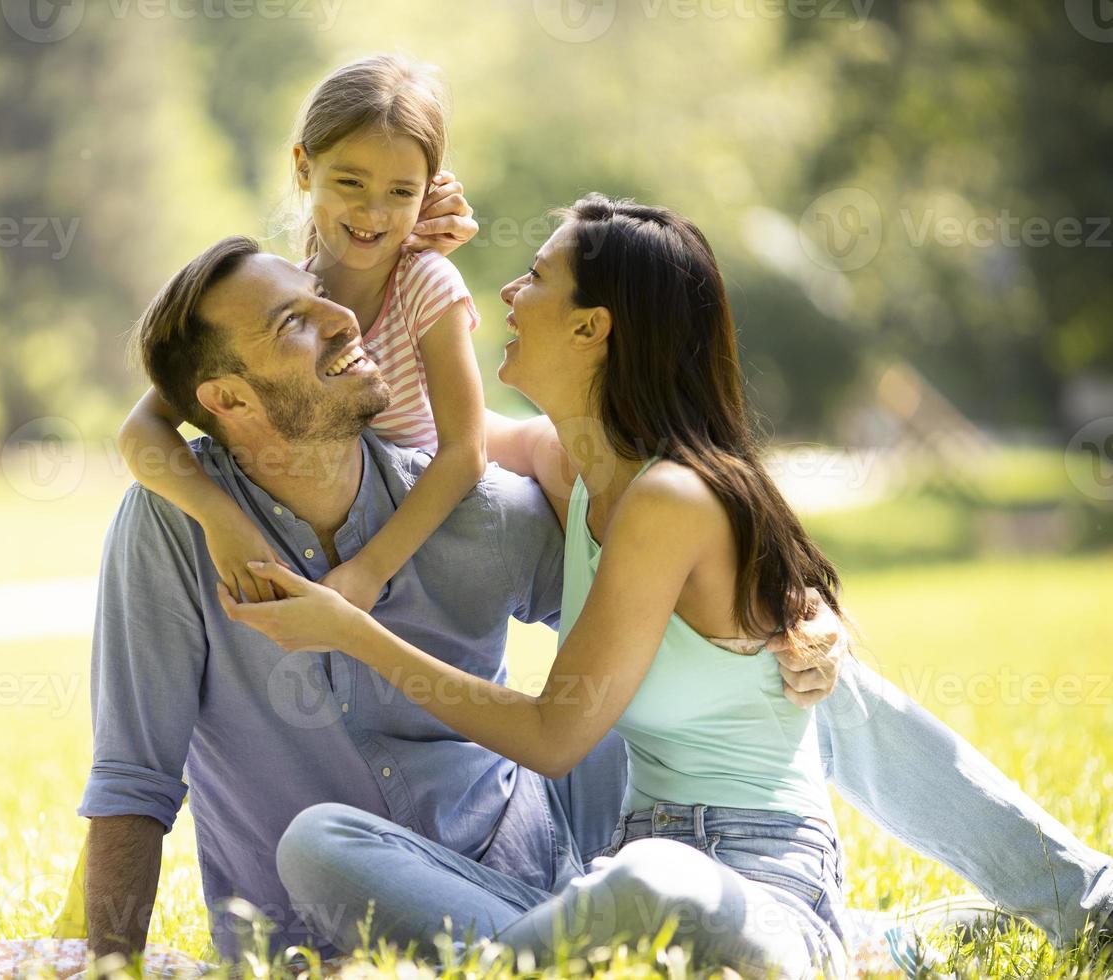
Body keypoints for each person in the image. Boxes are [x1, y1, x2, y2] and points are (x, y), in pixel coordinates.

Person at [71, 231, 1113, 967]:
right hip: (337, 904)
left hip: (550, 858)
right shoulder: (172, 526)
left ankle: (1080, 894)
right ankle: (677, 937)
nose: (349, 317)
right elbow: (131, 780)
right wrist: (110, 967)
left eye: (323, 294)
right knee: (320, 835)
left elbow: (681, 605)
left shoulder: (481, 505)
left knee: (776, 664)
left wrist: (794, 613)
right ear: (228, 401)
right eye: (298, 321)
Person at [116, 54, 487, 615]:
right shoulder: (286, 295)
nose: (373, 211)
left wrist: (369, 571)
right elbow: (142, 429)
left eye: (400, 192)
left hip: (399, 520)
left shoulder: (427, 284)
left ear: (429, 191)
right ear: (304, 168)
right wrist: (222, 520)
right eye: (350, 181)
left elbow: (465, 451)